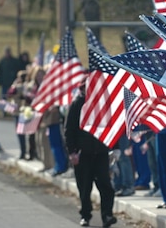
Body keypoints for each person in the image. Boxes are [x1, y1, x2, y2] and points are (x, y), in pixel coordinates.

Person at [64, 82, 117, 227]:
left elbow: (112, 125)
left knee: (106, 185)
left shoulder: (103, 103)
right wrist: (72, 152)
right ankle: (85, 215)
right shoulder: (77, 104)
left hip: (100, 152)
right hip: (83, 153)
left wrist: (115, 148)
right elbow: (69, 130)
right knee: (85, 187)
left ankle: (107, 215)